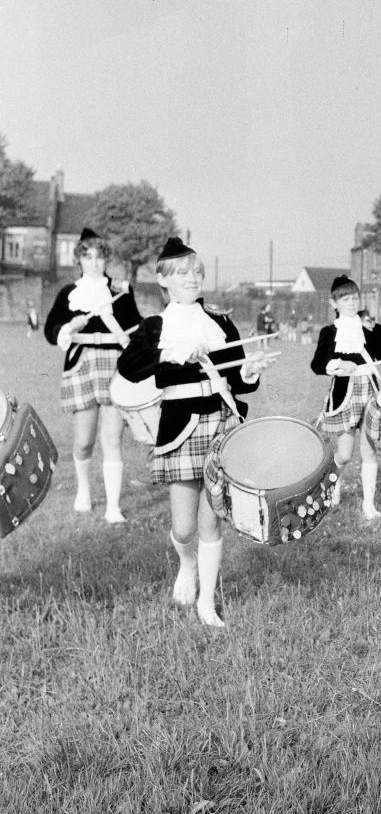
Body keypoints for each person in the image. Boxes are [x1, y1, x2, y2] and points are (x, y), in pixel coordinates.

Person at [117, 237, 270, 627]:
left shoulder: (219, 321)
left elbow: (237, 374)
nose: (192, 277)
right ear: (163, 279)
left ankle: (207, 601)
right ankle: (187, 564)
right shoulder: (156, 326)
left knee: (212, 518)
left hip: (223, 419)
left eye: (197, 271)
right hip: (180, 427)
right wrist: (170, 354)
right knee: (183, 528)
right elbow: (130, 367)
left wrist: (248, 371)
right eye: (183, 272)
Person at [44, 227, 142, 522]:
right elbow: (50, 331)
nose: (95, 263)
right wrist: (68, 327)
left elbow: (135, 327)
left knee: (112, 439)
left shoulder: (120, 291)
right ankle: (84, 490)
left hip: (115, 365)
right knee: (84, 440)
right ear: (79, 260)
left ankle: (113, 507)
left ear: (106, 259)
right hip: (81, 364)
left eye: (100, 257)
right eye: (88, 257)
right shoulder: (68, 293)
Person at [311, 275, 381, 521]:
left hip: (371, 392)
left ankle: (369, 505)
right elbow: (317, 363)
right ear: (334, 303)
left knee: (369, 451)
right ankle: (333, 484)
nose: (352, 303)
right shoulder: (329, 332)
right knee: (343, 454)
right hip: (345, 394)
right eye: (345, 298)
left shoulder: (372, 328)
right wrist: (338, 363)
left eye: (355, 298)